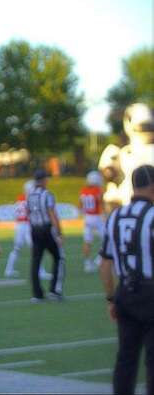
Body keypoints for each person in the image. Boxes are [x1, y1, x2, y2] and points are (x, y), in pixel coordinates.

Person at [99, 164, 154, 395]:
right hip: (151, 294)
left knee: (126, 359)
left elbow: (105, 264)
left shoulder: (115, 216)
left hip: (125, 292)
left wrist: (111, 298)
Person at [27, 169, 65, 302]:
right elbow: (52, 214)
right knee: (59, 257)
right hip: (46, 229)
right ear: (43, 180)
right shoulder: (47, 194)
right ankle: (55, 290)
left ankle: (37, 294)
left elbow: (28, 213)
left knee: (36, 261)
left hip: (34, 229)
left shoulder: (30, 195)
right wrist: (59, 232)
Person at [4, 181, 50, 280]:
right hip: (28, 226)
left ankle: (8, 269)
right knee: (36, 248)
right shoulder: (31, 199)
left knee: (17, 248)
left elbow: (14, 213)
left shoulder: (19, 199)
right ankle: (41, 272)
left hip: (19, 225)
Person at [80, 170, 105, 273]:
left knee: (87, 241)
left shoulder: (83, 191)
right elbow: (100, 204)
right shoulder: (98, 190)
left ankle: (87, 263)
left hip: (87, 217)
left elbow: (80, 205)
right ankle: (100, 258)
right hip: (97, 217)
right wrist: (104, 215)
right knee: (107, 239)